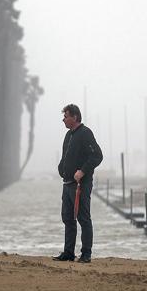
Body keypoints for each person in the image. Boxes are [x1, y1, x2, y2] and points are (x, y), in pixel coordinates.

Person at [53, 104, 103, 263]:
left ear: (74, 117)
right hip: (67, 184)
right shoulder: (68, 135)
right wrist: (61, 168)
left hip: (81, 184)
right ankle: (68, 252)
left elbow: (97, 156)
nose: (63, 120)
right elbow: (65, 156)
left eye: (66, 116)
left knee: (83, 217)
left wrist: (82, 171)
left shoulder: (85, 133)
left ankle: (86, 254)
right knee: (67, 218)